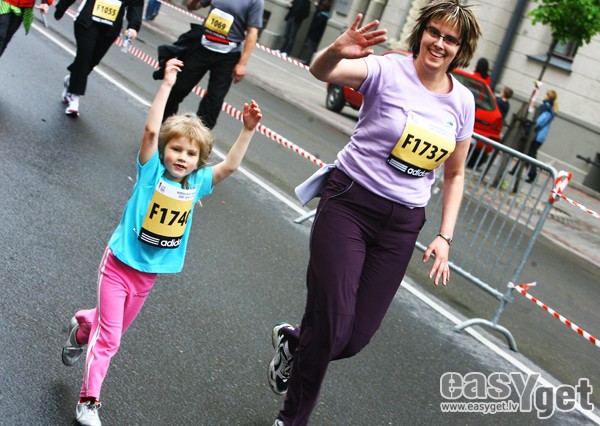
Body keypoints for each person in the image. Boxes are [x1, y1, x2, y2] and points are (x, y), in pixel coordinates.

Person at [267, 1, 481, 425]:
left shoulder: (462, 102)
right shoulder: (387, 69)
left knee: (353, 339)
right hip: (350, 204)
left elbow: (455, 174)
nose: (439, 43)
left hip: (402, 225)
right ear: (421, 32)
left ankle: (295, 342)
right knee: (332, 326)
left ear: (462, 49)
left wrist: (445, 236)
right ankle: (291, 419)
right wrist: (335, 50)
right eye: (434, 32)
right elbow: (321, 72)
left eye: (451, 39)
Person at [60, 57, 262, 426]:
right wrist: (167, 84)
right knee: (110, 340)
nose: (182, 157)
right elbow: (152, 131)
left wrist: (247, 130)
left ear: (199, 160)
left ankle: (82, 325)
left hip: (147, 276)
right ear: (165, 150)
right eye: (177, 149)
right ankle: (88, 402)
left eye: (191, 153)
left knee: (108, 328)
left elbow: (230, 167)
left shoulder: (197, 183)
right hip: (119, 264)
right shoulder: (151, 170)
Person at [160, 0, 264, 129]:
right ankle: (164, 127)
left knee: (214, 102)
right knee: (178, 89)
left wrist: (242, 64)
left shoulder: (255, 2)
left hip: (228, 55)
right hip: (202, 47)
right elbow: (192, 6)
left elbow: (252, 33)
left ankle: (199, 136)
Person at [53, 0, 143, 117]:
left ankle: (72, 80)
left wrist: (133, 27)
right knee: (84, 56)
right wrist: (61, 7)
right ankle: (74, 97)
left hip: (111, 29)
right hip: (87, 21)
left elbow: (136, 3)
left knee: (92, 61)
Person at [525, 90, 558, 182]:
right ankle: (519, 171)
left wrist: (532, 125)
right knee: (530, 152)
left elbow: (541, 120)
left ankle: (532, 174)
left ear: (548, 96)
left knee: (531, 153)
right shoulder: (551, 108)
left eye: (546, 94)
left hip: (538, 134)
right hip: (542, 134)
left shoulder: (546, 107)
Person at [300, 0, 331, 64]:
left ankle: (308, 61)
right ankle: (309, 60)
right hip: (316, 34)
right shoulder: (324, 15)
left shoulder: (322, 16)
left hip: (315, 34)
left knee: (311, 48)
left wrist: (311, 28)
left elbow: (317, 25)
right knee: (312, 48)